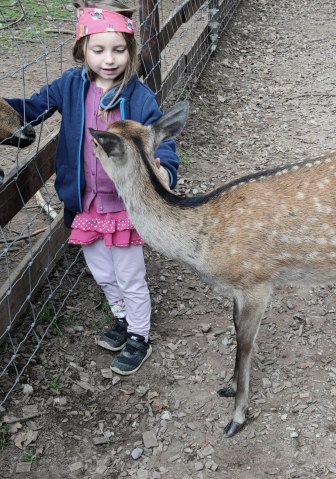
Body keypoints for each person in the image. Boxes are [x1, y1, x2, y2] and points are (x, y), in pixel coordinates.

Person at [4, 0, 180, 375]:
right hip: (86, 203)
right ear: (82, 47)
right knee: (102, 271)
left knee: (130, 274)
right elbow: (32, 108)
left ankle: (139, 335)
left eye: (118, 50)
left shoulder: (137, 95)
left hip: (125, 206)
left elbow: (160, 136)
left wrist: (166, 169)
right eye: (98, 49)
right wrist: (5, 112)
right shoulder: (70, 86)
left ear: (129, 51)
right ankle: (121, 317)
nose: (109, 59)